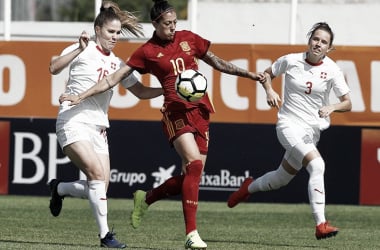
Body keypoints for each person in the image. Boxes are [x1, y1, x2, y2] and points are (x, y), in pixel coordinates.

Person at [60, 0, 266, 248]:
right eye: (167, 24)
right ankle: (191, 234)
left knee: (194, 173)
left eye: (174, 23)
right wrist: (80, 96)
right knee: (193, 164)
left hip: (200, 109)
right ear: (156, 24)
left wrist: (251, 75)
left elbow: (218, 63)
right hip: (174, 111)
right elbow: (112, 79)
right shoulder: (146, 51)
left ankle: (146, 198)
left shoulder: (189, 38)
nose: (172, 27)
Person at [48, 1, 163, 248]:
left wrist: (167, 90)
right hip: (73, 120)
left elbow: (141, 92)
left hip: (99, 127)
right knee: (97, 176)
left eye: (118, 32)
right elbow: (53, 67)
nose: (115, 37)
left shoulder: (118, 64)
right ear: (97, 29)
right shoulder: (83, 48)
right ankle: (105, 236)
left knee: (99, 185)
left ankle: (60, 189)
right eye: (111, 32)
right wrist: (77, 50)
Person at [227, 22, 352, 240]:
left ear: (329, 48)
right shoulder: (291, 60)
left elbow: (348, 103)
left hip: (310, 132)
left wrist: (332, 106)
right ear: (309, 39)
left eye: (324, 42)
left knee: (280, 179)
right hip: (288, 125)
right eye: (315, 39)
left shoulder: (333, 70)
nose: (318, 44)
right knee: (317, 164)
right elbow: (265, 75)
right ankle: (321, 224)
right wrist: (269, 90)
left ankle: (247, 188)